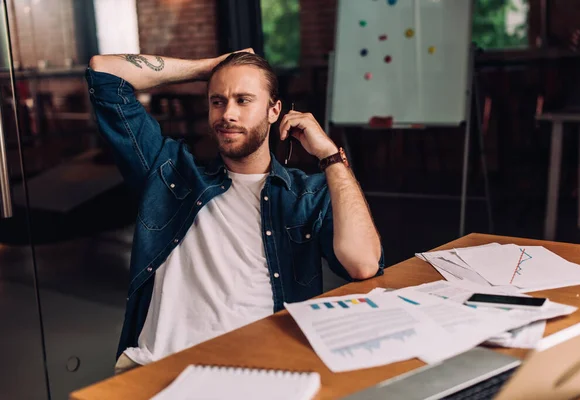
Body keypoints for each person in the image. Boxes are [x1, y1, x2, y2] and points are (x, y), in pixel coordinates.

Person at [86, 49, 384, 374]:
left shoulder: (305, 195)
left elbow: (363, 263)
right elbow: (104, 72)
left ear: (274, 110)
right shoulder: (171, 172)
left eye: (243, 100)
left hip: (258, 370)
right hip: (160, 368)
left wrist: (330, 156)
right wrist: (212, 67)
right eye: (218, 101)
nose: (227, 113)